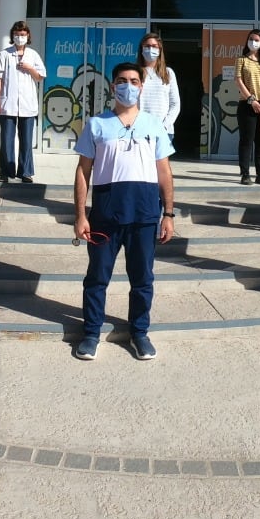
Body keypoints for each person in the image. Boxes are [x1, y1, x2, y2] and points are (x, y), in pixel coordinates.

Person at [73, 61, 176, 360]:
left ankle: (139, 333)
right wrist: (80, 214)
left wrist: (168, 214)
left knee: (142, 279)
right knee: (96, 278)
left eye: (133, 80)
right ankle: (91, 333)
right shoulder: (96, 124)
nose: (127, 86)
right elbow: (83, 172)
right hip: (105, 215)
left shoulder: (154, 125)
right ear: (112, 86)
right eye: (121, 80)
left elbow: (165, 173)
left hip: (144, 215)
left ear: (141, 86)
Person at [0, 20, 46, 184]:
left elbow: (40, 77)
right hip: (8, 103)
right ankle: (6, 172)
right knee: (7, 139)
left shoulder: (33, 55)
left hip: (28, 104)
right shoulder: (4, 54)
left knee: (26, 140)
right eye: (17, 34)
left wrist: (29, 68)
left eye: (22, 34)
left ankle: (26, 172)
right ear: (12, 36)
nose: (20, 37)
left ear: (27, 35)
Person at [234, 28, 260, 185]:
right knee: (246, 140)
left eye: (257, 39)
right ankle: (245, 174)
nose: (253, 42)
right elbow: (238, 81)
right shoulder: (241, 60)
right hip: (247, 104)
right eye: (251, 39)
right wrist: (252, 100)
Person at [136, 32, 180, 144]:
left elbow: (175, 104)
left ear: (160, 50)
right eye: (147, 46)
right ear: (141, 49)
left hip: (163, 131)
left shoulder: (168, 73)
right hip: (139, 130)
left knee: (160, 162)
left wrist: (165, 125)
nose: (150, 49)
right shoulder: (135, 73)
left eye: (154, 46)